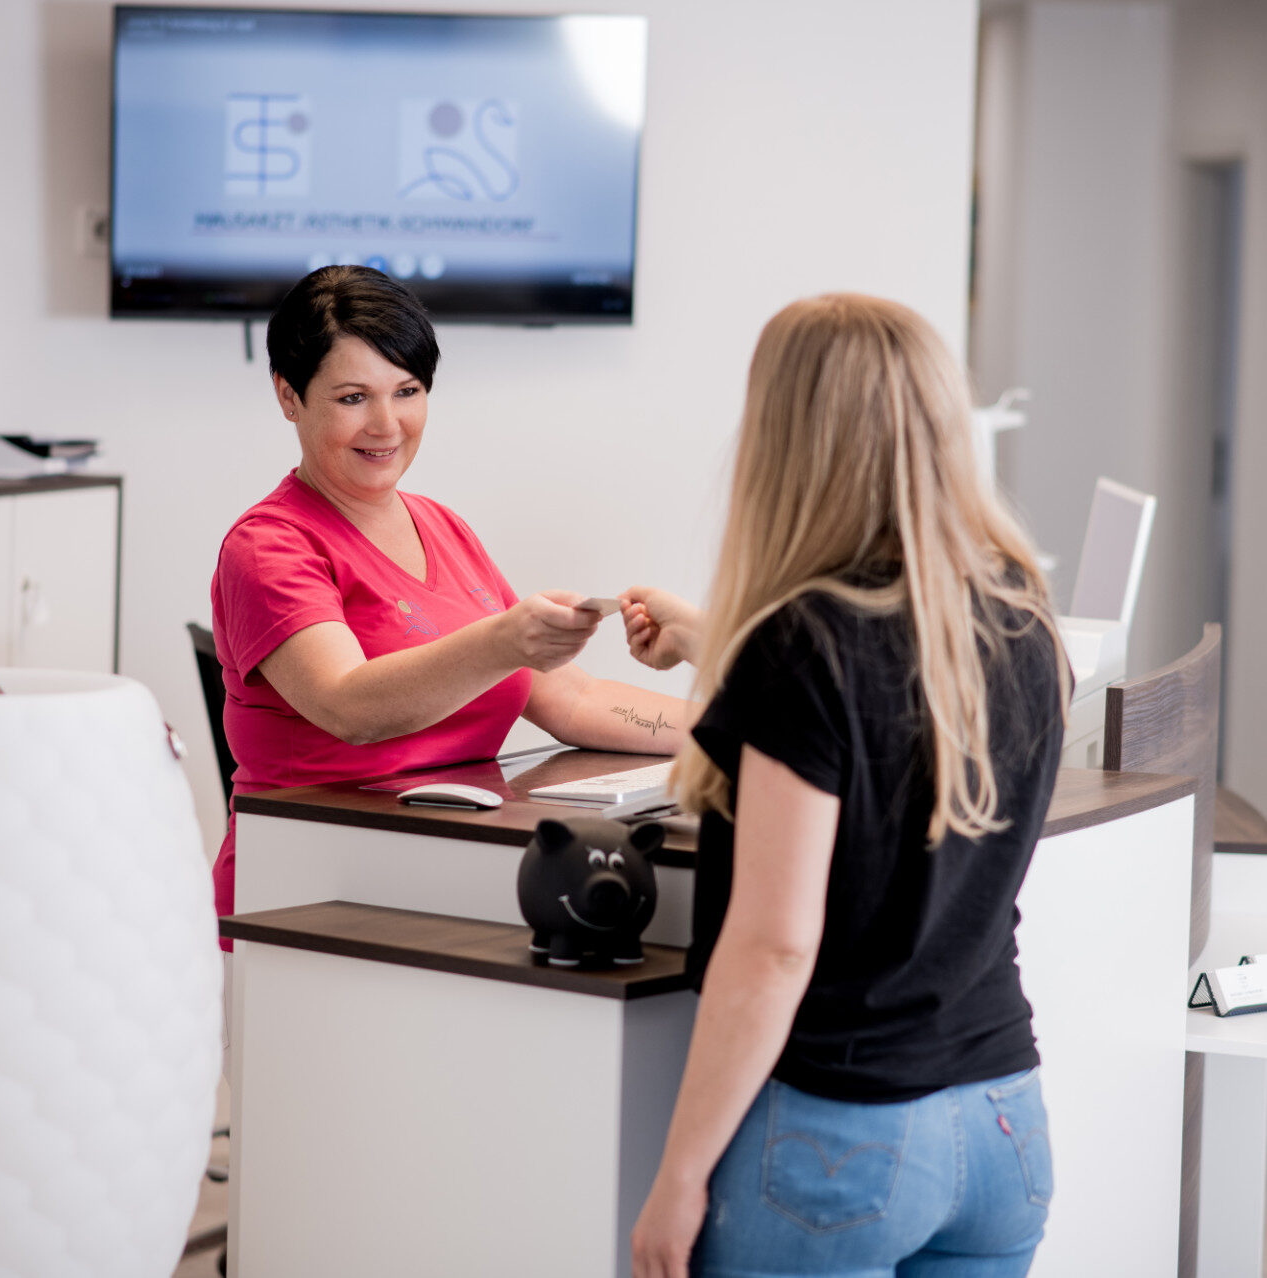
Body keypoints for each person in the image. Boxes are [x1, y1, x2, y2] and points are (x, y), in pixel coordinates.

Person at [621, 294, 1070, 1278]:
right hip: (1003, 1122)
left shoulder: (804, 646)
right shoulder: (1019, 619)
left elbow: (777, 948)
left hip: (842, 1141)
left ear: (789, 438)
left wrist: (680, 1174)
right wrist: (711, 641)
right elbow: (890, 706)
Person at [210, 264, 692, 938]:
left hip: (445, 871)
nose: (386, 423)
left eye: (407, 391)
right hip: (310, 887)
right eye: (353, 397)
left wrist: (732, 731)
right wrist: (500, 642)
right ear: (289, 396)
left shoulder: (442, 526)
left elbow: (569, 698)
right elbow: (349, 706)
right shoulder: (269, 546)